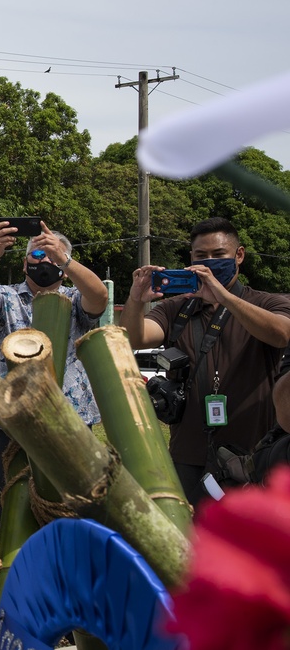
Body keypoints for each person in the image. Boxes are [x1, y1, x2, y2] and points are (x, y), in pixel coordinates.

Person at [121, 216, 290, 507]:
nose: (209, 262)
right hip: (189, 453)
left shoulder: (267, 302)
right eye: (201, 256)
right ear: (191, 258)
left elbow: (280, 334)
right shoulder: (177, 308)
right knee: (192, 541)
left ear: (239, 255)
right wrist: (136, 299)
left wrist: (223, 297)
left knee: (248, 543)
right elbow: (135, 338)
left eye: (218, 255)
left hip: (253, 454)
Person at [0, 220, 108, 521]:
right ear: (25, 264)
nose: (45, 262)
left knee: (74, 506)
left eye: (52, 256)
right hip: (14, 420)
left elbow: (99, 298)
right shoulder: (6, 297)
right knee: (14, 505)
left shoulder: (73, 298)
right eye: (37, 255)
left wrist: (65, 260)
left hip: (71, 418)